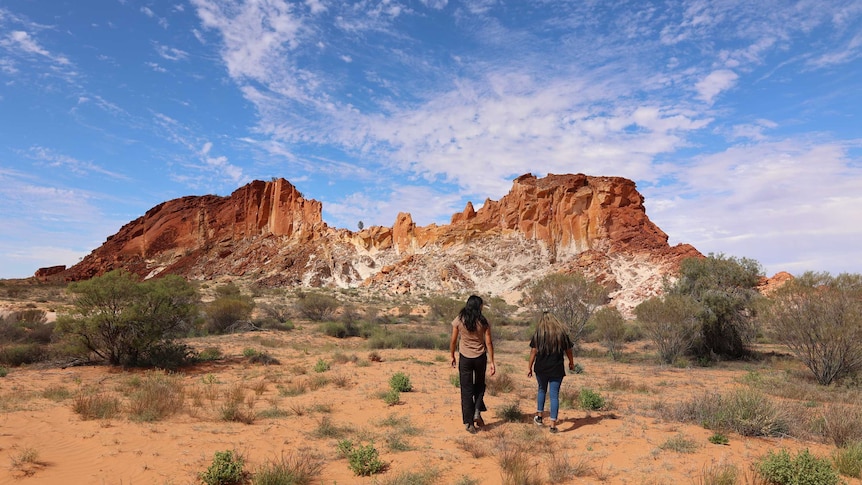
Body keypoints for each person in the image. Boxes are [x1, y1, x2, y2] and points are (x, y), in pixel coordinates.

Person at [450, 295, 496, 433]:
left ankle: (469, 423)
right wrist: (492, 361)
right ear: (479, 306)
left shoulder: (460, 319)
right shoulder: (483, 321)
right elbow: (488, 342)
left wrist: (452, 355)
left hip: (465, 358)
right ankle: (477, 411)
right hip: (480, 357)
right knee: (480, 386)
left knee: (466, 389)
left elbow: (453, 340)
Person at [527, 311, 575, 433]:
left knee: (541, 390)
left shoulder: (539, 334)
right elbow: (568, 350)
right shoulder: (561, 334)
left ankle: (539, 417)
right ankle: (553, 425)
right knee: (554, 395)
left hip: (541, 368)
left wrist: (529, 367)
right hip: (556, 368)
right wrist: (571, 362)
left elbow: (533, 351)